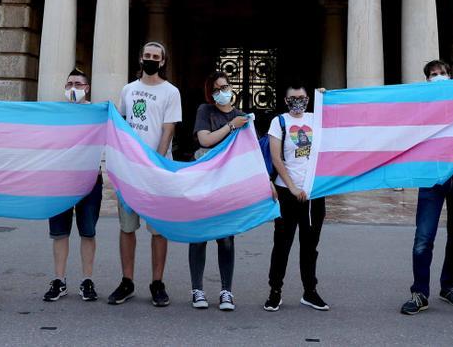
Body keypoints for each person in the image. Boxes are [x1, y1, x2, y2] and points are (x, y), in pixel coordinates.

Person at [108, 41, 181, 307]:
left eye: (156, 57)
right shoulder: (128, 90)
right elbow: (121, 124)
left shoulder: (171, 92)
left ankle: (157, 282)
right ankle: (127, 281)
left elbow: (168, 130)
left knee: (158, 230)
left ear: (162, 62)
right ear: (141, 58)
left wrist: (155, 163)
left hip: (155, 171)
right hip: (129, 172)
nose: (151, 59)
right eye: (147, 55)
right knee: (127, 228)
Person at [401, 60, 453, 316]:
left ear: (450, 76)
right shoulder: (421, 105)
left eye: (443, 73)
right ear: (427, 79)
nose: (439, 77)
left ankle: (449, 287)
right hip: (431, 178)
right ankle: (419, 293)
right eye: (434, 74)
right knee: (423, 238)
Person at [264, 82, 329, 313]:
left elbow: (339, 119)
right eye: (293, 98)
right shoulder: (279, 122)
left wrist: (325, 98)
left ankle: (310, 291)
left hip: (313, 193)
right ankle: (275, 291)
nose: (297, 102)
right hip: (287, 192)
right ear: (286, 100)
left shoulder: (315, 118)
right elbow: (276, 158)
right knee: (282, 244)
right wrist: (291, 187)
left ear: (308, 99)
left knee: (310, 245)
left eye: (302, 97)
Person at [188, 71, 250, 311]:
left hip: (228, 183)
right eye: (216, 89)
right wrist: (231, 127)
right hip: (204, 180)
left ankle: (226, 291)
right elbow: (205, 140)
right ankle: (197, 290)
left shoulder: (243, 116)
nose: (222, 92)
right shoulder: (205, 111)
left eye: (225, 86)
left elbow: (249, 151)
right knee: (200, 236)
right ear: (210, 93)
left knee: (226, 237)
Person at [43, 69, 102, 303]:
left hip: (89, 179)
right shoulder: (56, 113)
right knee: (59, 233)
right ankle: (59, 280)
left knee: (88, 232)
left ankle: (87, 280)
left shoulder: (98, 112)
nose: (73, 87)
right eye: (69, 84)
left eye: (78, 83)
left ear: (87, 88)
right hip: (60, 180)